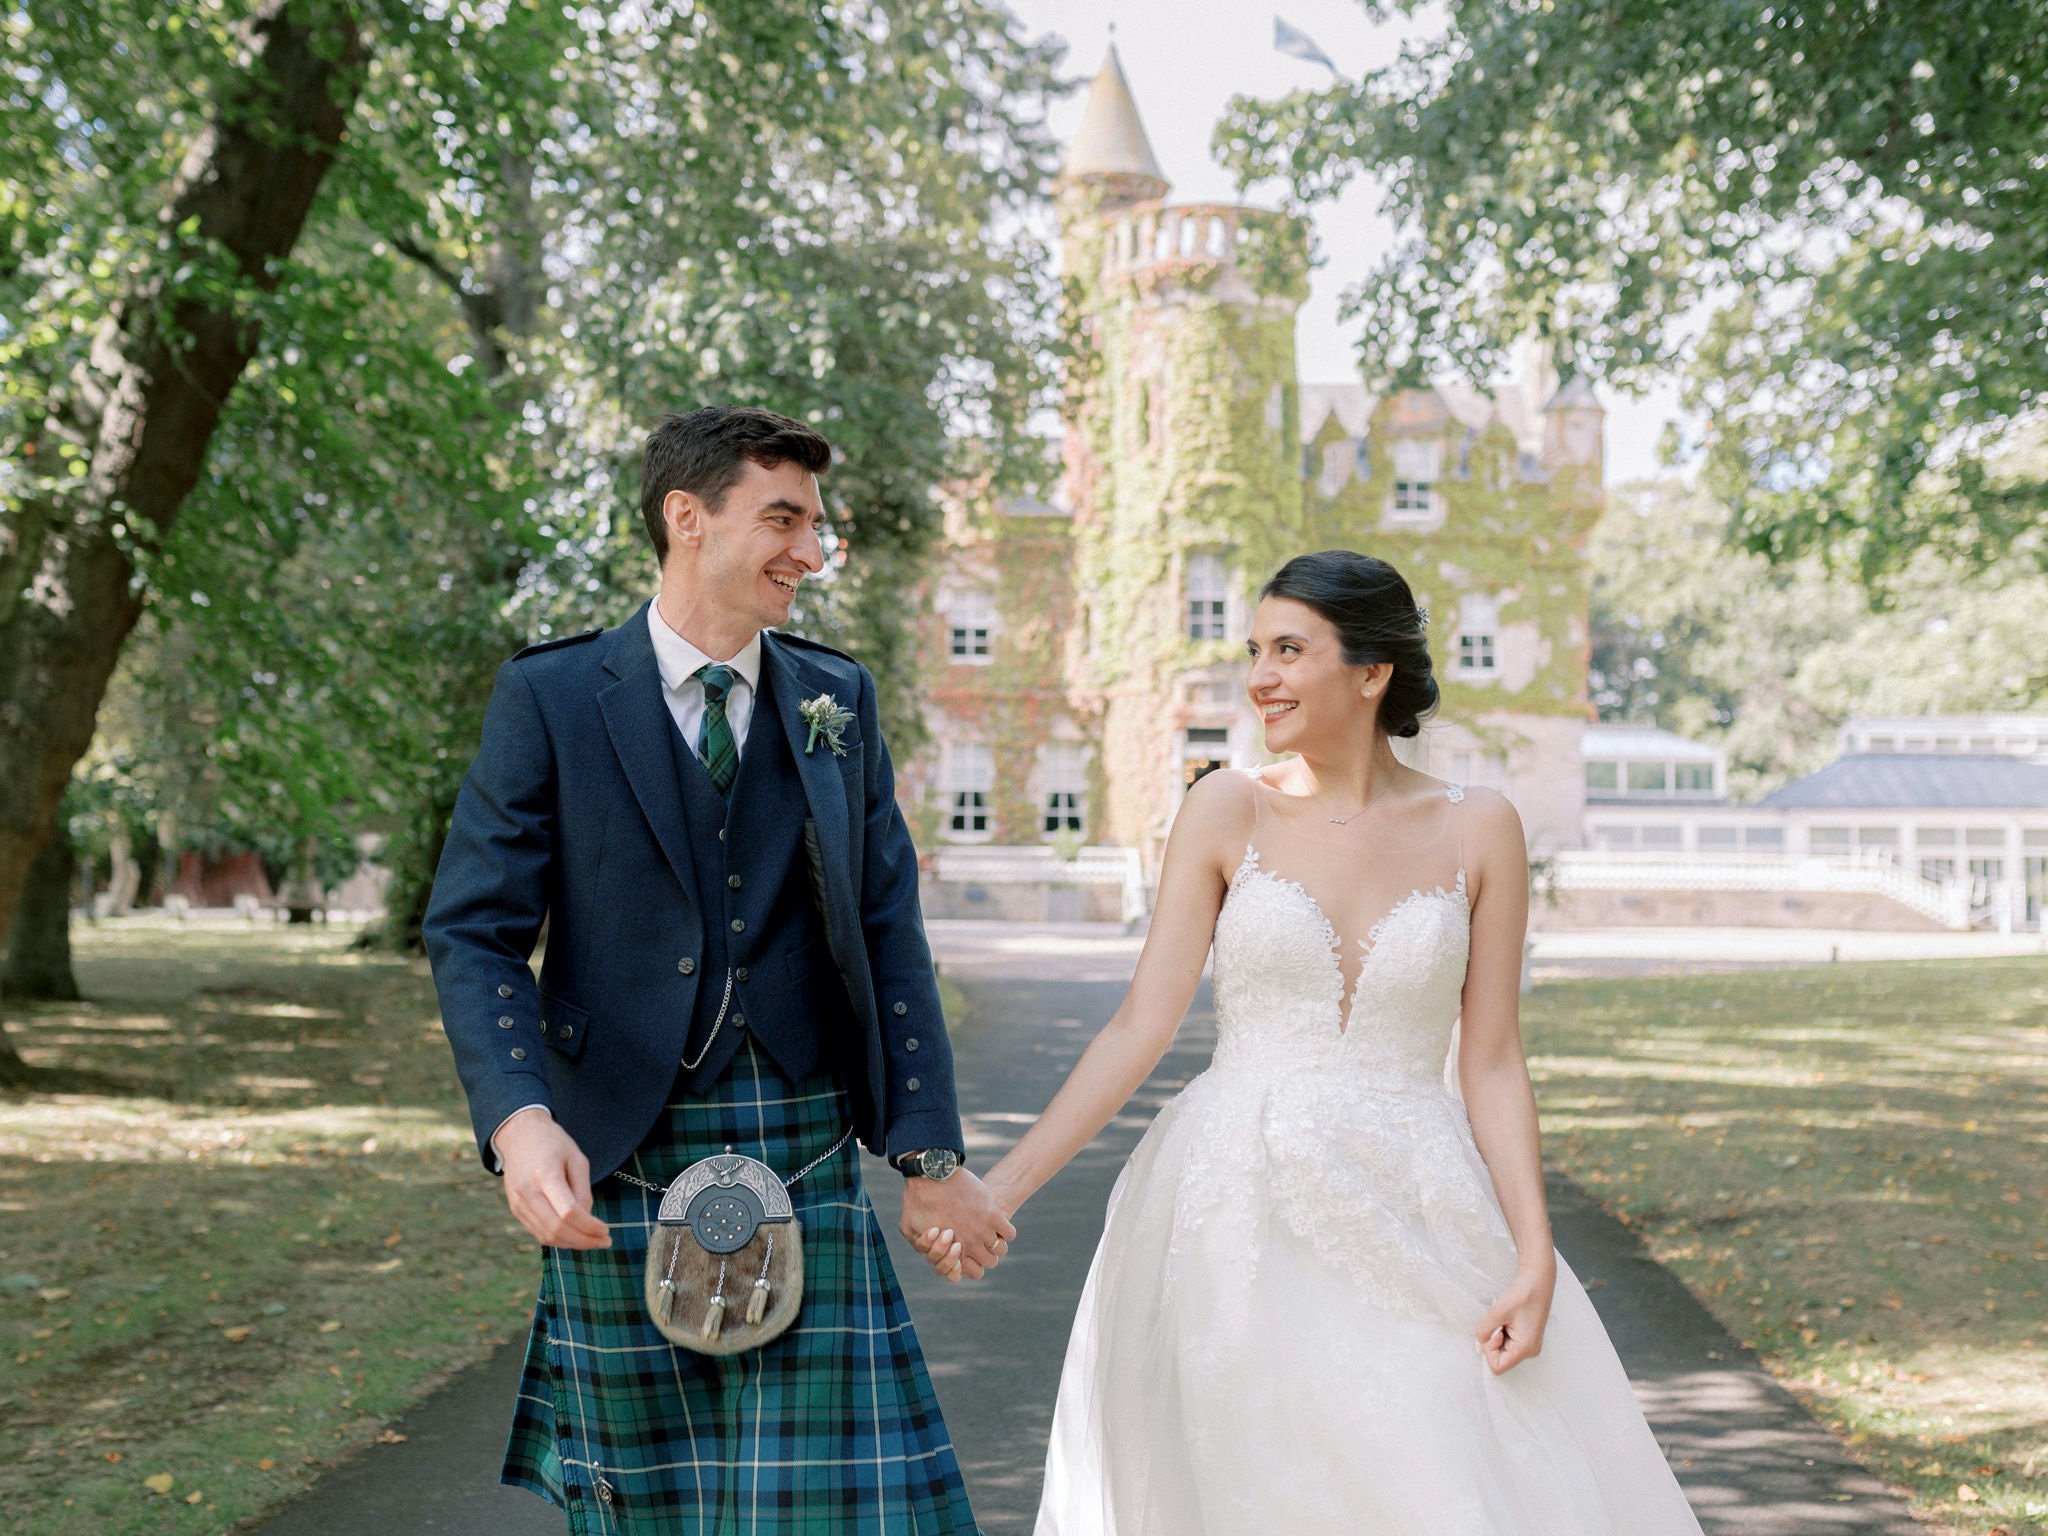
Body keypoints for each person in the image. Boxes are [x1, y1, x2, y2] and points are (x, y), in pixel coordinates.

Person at [920, 549, 1706, 1533]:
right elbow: (1139, 1024)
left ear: (1370, 672)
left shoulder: (1480, 827)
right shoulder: (1223, 807)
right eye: (1255, 650)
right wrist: (1000, 1191)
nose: (1259, 676)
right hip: (1234, 1206)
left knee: (1446, 1469)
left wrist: (1534, 1252)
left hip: (1417, 1198)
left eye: (1288, 650)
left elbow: (1492, 1057)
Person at [425, 404, 1014, 1534]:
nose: (809, 550)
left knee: (831, 1509)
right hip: (625, 1145)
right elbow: (475, 929)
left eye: (817, 525)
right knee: (650, 1511)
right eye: (782, 518)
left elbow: (889, 929)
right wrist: (516, 1117)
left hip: (802, 1135)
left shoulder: (835, 695)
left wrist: (928, 1151)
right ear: (685, 518)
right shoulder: (551, 699)